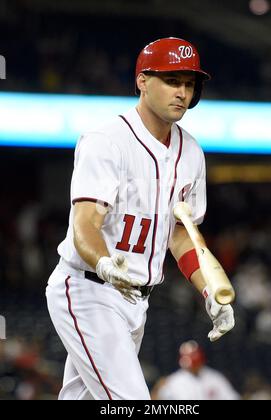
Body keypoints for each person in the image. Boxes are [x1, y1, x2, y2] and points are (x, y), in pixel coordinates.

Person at [46, 37, 235, 400]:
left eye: (188, 84)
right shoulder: (107, 140)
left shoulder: (191, 152)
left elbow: (180, 234)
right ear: (142, 81)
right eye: (171, 80)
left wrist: (210, 289)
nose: (182, 92)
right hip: (88, 290)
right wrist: (104, 263)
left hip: (137, 300)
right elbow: (85, 223)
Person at [151, 340, 240, 400]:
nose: (191, 367)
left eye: (194, 364)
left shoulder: (215, 378)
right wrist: (157, 389)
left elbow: (232, 397)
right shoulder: (174, 380)